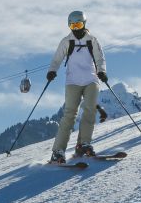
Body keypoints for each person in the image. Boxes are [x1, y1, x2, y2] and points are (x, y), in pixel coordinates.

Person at [46, 10, 108, 164]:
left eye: (78, 24)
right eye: (72, 25)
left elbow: (100, 58)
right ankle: (58, 151)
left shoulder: (92, 40)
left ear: (84, 24)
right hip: (72, 81)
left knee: (89, 111)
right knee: (69, 115)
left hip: (91, 80)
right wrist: (52, 71)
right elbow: (57, 58)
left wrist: (102, 72)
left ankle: (84, 144)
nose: (75, 28)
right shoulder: (66, 41)